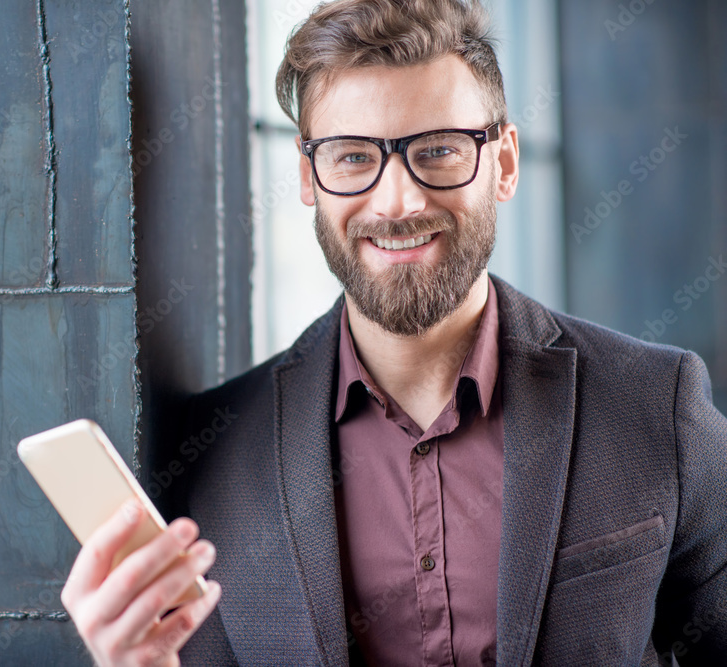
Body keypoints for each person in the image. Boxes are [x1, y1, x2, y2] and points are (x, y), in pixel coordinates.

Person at [60, 0, 727, 664]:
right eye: (353, 158)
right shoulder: (210, 459)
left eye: (438, 150)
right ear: (307, 177)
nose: (398, 202)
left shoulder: (658, 405)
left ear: (505, 162)